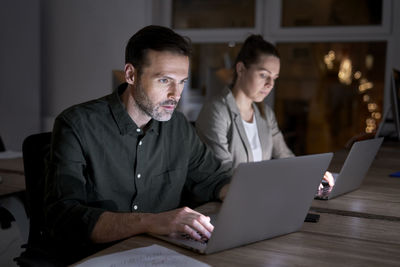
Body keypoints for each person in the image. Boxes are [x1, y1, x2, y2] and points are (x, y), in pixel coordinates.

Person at [43, 25, 231, 265]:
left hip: (161, 255)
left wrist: (248, 197)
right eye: (164, 80)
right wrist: (151, 221)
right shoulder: (76, 125)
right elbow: (64, 217)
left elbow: (213, 179)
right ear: (131, 75)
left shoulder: (179, 127)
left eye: (182, 81)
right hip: (93, 256)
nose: (176, 94)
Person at [196, 35, 334, 187]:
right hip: (226, 201)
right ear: (241, 69)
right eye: (263, 75)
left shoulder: (265, 113)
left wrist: (311, 173)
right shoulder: (217, 111)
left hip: (258, 196)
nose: (270, 84)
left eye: (274, 78)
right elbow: (223, 174)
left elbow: (284, 156)